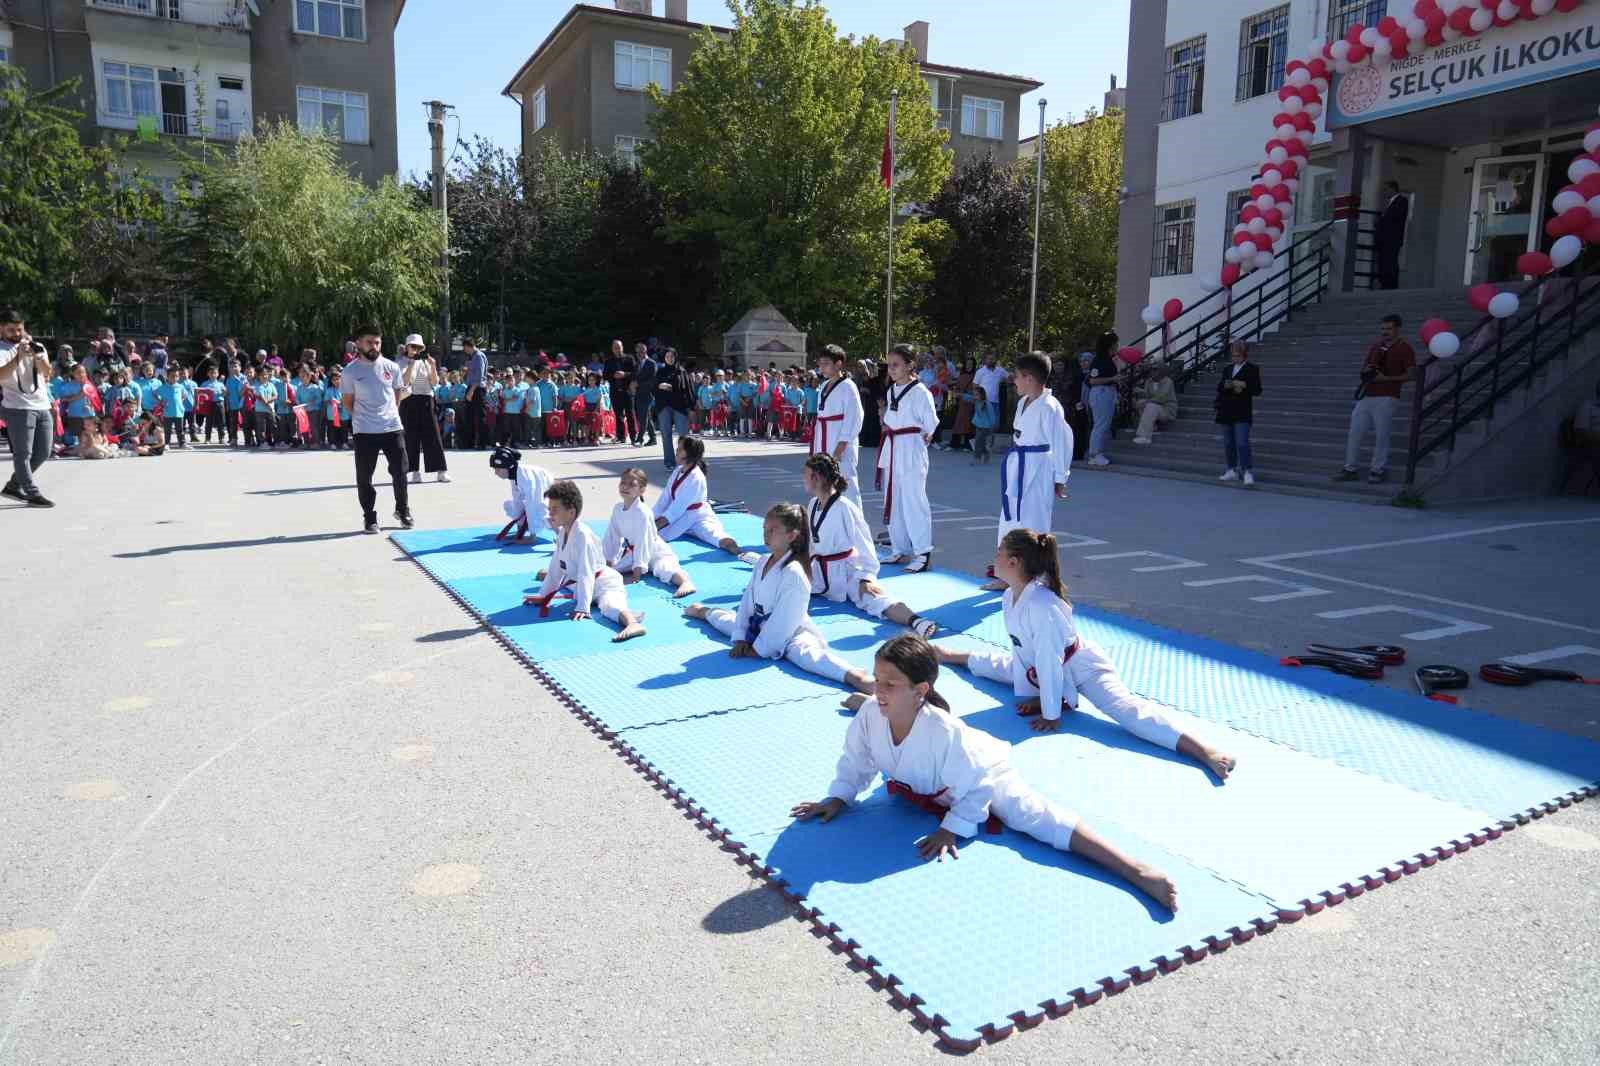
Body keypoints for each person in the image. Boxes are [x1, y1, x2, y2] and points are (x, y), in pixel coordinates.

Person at [791, 634, 1180, 910]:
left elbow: (977, 788)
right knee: (871, 716)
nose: (880, 690)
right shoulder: (870, 716)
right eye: (877, 680)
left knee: (1029, 815)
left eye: (890, 684)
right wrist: (839, 796)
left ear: (920, 689)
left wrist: (953, 826)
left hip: (982, 768)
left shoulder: (944, 733)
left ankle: (1138, 871)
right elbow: (857, 761)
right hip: (929, 778)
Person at [936, 531, 1236, 783]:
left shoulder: (1042, 605)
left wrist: (1050, 713)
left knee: (1128, 711)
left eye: (999, 551)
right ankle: (951, 655)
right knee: (998, 665)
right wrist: (1036, 694)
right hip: (1039, 668)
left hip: (1081, 667)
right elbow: (1022, 653)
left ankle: (1203, 751)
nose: (994, 556)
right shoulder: (1009, 596)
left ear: (1014, 562)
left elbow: (1051, 662)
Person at [684, 504, 874, 694]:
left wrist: (758, 649)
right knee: (732, 624)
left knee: (805, 655)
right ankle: (705, 611)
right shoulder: (762, 561)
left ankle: (853, 675)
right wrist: (742, 639)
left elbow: (784, 619)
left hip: (792, 632)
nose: (766, 534)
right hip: (760, 626)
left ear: (792, 536)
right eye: (765, 529)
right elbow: (747, 603)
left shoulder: (795, 573)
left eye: (773, 530)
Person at [803, 454, 937, 637]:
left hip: (847, 572)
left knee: (875, 598)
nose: (803, 478)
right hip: (819, 570)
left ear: (816, 477)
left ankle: (917, 621)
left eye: (806, 474)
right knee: (784, 576)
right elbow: (812, 544)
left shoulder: (845, 508)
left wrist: (866, 578)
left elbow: (865, 545)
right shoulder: (813, 505)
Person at [522, 479, 646, 642]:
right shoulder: (563, 533)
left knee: (609, 607)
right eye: (549, 509)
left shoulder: (583, 536)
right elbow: (555, 569)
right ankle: (620, 613)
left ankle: (632, 624)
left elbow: (586, 572)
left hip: (604, 583)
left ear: (571, 512)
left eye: (555, 509)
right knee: (562, 581)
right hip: (583, 585)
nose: (550, 514)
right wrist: (543, 595)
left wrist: (583, 607)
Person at [989, 352, 1071, 589]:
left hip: (1039, 467)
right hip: (1019, 464)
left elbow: (1062, 442)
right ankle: (1007, 575)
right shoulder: (1022, 402)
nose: (1013, 381)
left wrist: (1060, 477)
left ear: (1029, 378)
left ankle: (1037, 577)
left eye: (1016, 376)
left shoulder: (1050, 406)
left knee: (1035, 521)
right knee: (1009, 519)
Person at [341, 326, 413, 534]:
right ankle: (369, 517)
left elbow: (397, 394)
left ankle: (402, 510)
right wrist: (363, 419)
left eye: (378, 342)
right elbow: (347, 402)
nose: (374, 346)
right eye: (370, 342)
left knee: (400, 472)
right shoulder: (350, 371)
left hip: (392, 427)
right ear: (358, 344)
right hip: (364, 430)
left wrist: (390, 414)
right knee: (365, 476)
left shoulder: (391, 367)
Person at [877, 344, 940, 573]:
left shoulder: (920, 391)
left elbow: (931, 421)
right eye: (889, 365)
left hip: (911, 446)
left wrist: (928, 434)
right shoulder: (891, 389)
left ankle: (922, 552)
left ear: (910, 365)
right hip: (893, 446)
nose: (891, 369)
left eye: (896, 365)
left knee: (914, 501)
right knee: (893, 499)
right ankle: (900, 548)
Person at [1334, 314, 1415, 485]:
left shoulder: (1405, 348)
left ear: (1397, 329)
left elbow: (1411, 375)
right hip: (1367, 395)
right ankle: (1350, 469)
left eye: (1389, 329)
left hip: (1387, 396)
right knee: (1355, 432)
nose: (1385, 332)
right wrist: (1368, 371)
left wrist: (1387, 379)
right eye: (1383, 329)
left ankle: (1377, 470)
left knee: (1381, 435)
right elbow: (1364, 368)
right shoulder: (1375, 346)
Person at [603, 468, 697, 598]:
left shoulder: (642, 512)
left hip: (655, 551)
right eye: (623, 482)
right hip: (634, 552)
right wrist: (609, 561)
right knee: (609, 573)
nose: (625, 486)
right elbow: (612, 537)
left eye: (632, 484)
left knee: (664, 569)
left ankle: (686, 582)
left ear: (641, 490)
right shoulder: (618, 509)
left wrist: (636, 575)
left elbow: (643, 542)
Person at [0, 311, 57, 506]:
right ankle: (32, 493)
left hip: (42, 404)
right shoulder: (1, 349)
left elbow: (48, 372)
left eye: (19, 329)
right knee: (23, 454)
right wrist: (18, 357)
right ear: (1, 329)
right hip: (17, 407)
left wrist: (37, 357)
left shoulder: (36, 346)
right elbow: (1, 375)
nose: (16, 333)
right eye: (11, 330)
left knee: (44, 451)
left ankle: (14, 486)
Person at [653, 435, 741, 554]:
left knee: (715, 536)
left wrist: (654, 526)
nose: (676, 451)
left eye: (680, 449)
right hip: (682, 516)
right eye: (677, 448)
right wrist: (649, 518)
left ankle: (737, 550)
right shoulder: (678, 471)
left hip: (697, 516)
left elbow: (676, 509)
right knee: (652, 531)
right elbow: (664, 500)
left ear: (690, 454)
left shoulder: (696, 477)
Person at [810, 345, 865, 512]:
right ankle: (829, 523)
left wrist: (841, 446)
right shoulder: (824, 386)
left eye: (826, 363)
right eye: (820, 364)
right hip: (823, 439)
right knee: (823, 482)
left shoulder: (848, 386)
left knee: (846, 483)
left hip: (840, 443)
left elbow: (855, 417)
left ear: (839, 364)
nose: (822, 368)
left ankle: (856, 528)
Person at [399, 334, 450, 483]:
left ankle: (441, 471)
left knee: (433, 435)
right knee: (411, 437)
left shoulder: (426, 362)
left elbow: (434, 382)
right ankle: (414, 472)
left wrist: (433, 366)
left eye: (418, 347)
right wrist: (411, 364)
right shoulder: (401, 362)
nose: (416, 349)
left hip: (427, 399)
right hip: (409, 400)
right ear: (407, 347)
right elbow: (404, 381)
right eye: (413, 346)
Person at [1216, 342, 1262, 487]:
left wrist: (1244, 385)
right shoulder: (1228, 368)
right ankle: (1231, 469)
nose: (1235, 358)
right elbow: (1219, 387)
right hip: (1226, 409)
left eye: (1238, 355)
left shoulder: (1252, 369)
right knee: (1228, 443)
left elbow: (1257, 390)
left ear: (1244, 355)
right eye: (1233, 355)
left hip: (1242, 411)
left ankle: (1247, 471)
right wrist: (1226, 385)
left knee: (1242, 443)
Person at [490, 445, 552, 542]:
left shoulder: (526, 478)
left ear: (508, 467)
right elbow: (518, 502)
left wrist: (532, 536)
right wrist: (519, 532)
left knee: (541, 509)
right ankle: (524, 530)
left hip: (548, 489)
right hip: (535, 492)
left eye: (498, 469)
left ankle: (562, 534)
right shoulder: (514, 475)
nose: (496, 473)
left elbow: (533, 504)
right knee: (512, 505)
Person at [652, 347, 693, 470]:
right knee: (666, 435)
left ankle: (685, 461)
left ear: (675, 357)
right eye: (667, 357)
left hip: (680, 407)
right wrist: (660, 385)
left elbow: (689, 390)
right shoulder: (660, 371)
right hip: (664, 407)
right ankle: (669, 462)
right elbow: (653, 388)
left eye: (672, 356)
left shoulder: (682, 372)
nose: (669, 359)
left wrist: (691, 408)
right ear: (664, 358)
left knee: (683, 436)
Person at [1083, 333, 1120, 466]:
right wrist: (1113, 379)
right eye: (1116, 343)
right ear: (1110, 344)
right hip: (1102, 392)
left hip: (1107, 392)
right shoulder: (1099, 360)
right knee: (1101, 424)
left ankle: (1097, 453)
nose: (1117, 345)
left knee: (1103, 424)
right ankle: (1094, 454)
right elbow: (1093, 380)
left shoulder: (1108, 359)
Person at [1131, 362, 1178, 445]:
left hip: (1167, 409)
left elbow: (1162, 398)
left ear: (1162, 371)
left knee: (1150, 405)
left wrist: (1146, 401)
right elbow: (1148, 395)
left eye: (1155, 370)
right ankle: (1152, 427)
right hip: (1155, 407)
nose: (1152, 372)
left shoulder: (1168, 381)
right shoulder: (1149, 381)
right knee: (1140, 402)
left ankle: (1145, 436)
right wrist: (1140, 391)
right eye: (1152, 370)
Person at [1375, 180, 1409, 291]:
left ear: (1392, 189)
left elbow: (1394, 219)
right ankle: (1385, 284)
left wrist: (1381, 219)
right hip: (1384, 240)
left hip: (1392, 239)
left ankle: (1390, 285)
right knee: (1384, 262)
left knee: (1391, 262)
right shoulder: (1390, 203)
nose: (1384, 192)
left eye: (1386, 189)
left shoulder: (1402, 201)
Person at [461, 338, 489, 450]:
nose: (464, 350)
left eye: (464, 347)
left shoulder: (478, 356)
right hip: (472, 388)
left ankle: (482, 443)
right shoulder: (472, 357)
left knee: (480, 417)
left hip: (477, 389)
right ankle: (470, 443)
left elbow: (479, 376)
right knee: (470, 416)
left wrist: (471, 391)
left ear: (468, 346)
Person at [632, 342, 658, 448]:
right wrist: (632, 384)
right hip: (638, 394)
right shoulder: (637, 364)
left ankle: (640, 438)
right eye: (637, 351)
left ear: (645, 351)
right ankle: (653, 439)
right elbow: (635, 377)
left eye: (641, 351)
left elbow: (653, 381)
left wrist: (639, 384)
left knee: (643, 417)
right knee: (646, 416)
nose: (639, 353)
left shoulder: (651, 363)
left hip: (648, 394)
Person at [159, 366, 190, 449]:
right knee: (167, 430)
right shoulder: (163, 387)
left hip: (179, 412)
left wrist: (181, 401)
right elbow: (155, 394)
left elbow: (185, 395)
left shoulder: (180, 386)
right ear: (167, 376)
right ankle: (167, 444)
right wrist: (161, 402)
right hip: (167, 412)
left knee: (180, 430)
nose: (175, 378)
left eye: (176, 376)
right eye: (172, 376)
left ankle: (182, 443)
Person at [324, 368, 347, 450]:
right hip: (332, 414)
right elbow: (325, 401)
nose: (336, 381)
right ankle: (332, 443)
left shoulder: (345, 389)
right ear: (331, 381)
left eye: (338, 379)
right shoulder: (329, 390)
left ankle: (344, 442)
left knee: (344, 429)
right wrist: (331, 401)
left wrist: (341, 402)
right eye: (334, 380)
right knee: (332, 429)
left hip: (343, 413)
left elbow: (348, 399)